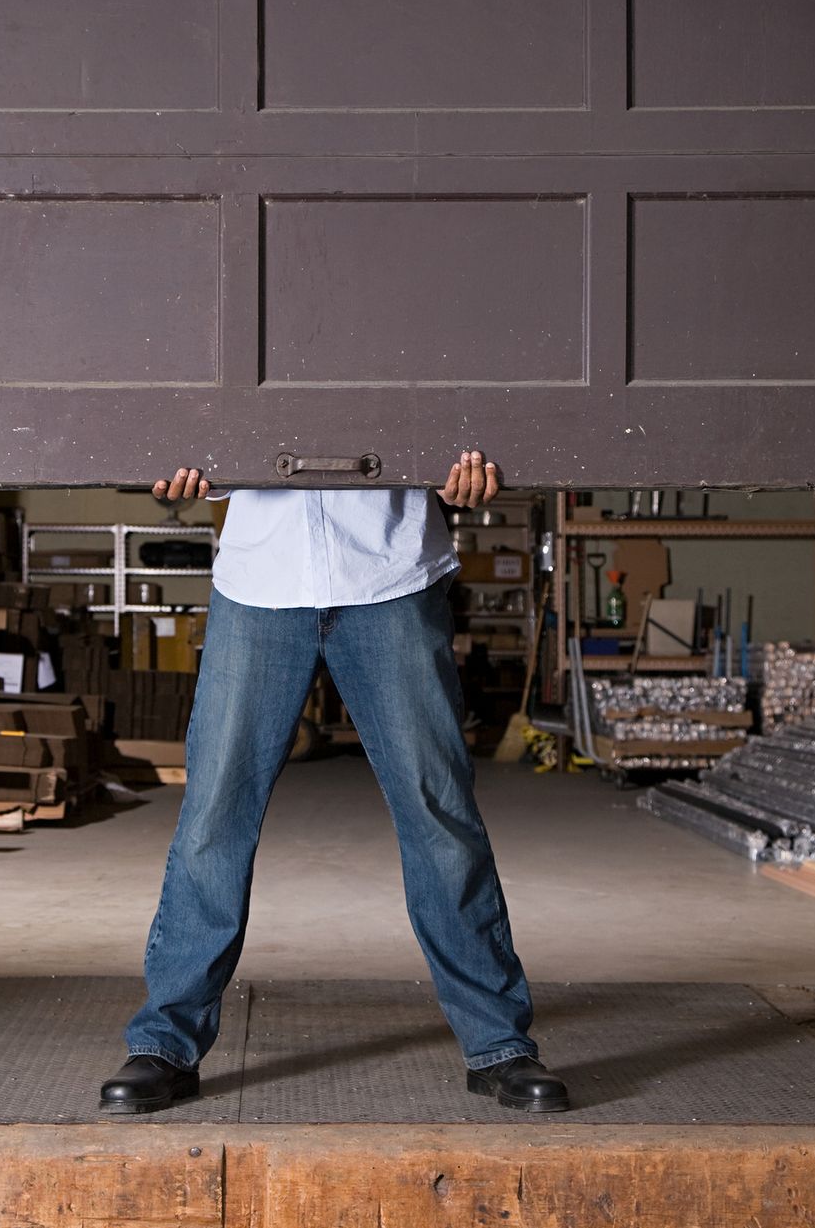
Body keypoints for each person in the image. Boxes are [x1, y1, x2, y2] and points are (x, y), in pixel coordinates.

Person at [99, 452, 569, 1114]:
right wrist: (190, 463)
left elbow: (453, 412)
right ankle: (166, 1042)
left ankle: (499, 1043)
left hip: (390, 571)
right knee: (213, 818)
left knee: (439, 815)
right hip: (261, 580)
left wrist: (463, 460)